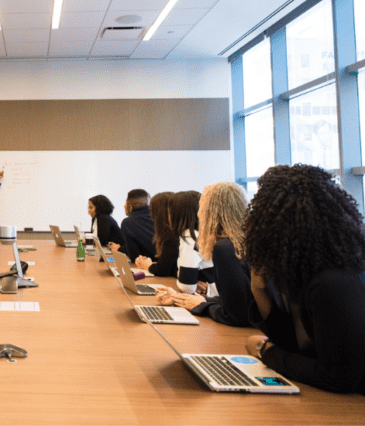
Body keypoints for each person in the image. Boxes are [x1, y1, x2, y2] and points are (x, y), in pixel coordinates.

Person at [243, 165, 365, 394]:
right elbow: (297, 347)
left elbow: (338, 378)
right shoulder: (303, 271)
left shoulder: (332, 281)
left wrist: (265, 351)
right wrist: (259, 290)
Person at [154, 182, 252, 327]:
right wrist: (188, 299)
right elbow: (245, 302)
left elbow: (237, 315)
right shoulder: (247, 239)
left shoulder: (224, 248)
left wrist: (203, 306)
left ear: (209, 212)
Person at [166, 190, 214, 295]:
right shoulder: (207, 232)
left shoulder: (190, 237)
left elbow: (186, 287)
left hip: (207, 297)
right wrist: (193, 281)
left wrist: (189, 282)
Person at [135, 192, 177, 276]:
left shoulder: (172, 237)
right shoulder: (173, 233)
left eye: (151, 210)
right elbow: (169, 265)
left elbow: (162, 271)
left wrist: (148, 265)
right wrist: (149, 263)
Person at [115, 189, 155, 262]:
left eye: (125, 203)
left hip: (147, 268)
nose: (124, 206)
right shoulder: (157, 217)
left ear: (130, 207)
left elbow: (134, 257)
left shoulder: (127, 222)